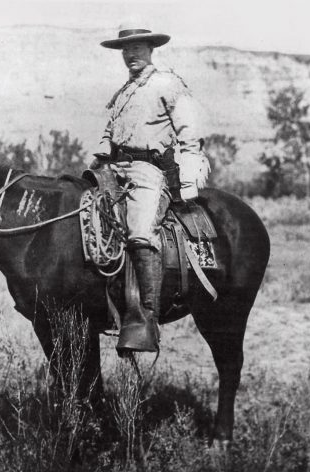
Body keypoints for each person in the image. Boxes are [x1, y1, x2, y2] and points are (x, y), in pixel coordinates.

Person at [96, 22, 210, 354]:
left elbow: (189, 134)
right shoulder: (123, 92)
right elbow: (108, 133)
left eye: (137, 47)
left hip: (149, 170)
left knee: (139, 233)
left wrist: (189, 181)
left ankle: (145, 318)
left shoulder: (167, 84)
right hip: (114, 169)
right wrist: (98, 160)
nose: (130, 54)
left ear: (151, 49)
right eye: (125, 49)